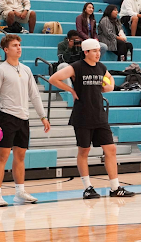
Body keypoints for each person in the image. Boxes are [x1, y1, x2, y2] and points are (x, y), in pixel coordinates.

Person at [48, 39, 135, 199]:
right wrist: (71, 91)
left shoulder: (101, 67)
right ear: (86, 52)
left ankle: (115, 187)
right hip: (82, 114)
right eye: (94, 51)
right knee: (84, 150)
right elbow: (53, 78)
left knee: (111, 149)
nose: (98, 53)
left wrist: (108, 87)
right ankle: (87, 187)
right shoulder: (76, 67)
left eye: (99, 51)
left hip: (99, 114)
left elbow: (111, 79)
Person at [0, 34, 51, 207]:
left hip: (24, 118)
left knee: (20, 155)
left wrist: (43, 116)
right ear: (6, 50)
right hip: (6, 117)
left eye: (19, 45)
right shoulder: (0, 70)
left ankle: (19, 192)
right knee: (3, 155)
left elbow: (34, 95)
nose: (19, 48)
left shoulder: (26, 69)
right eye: (15, 45)